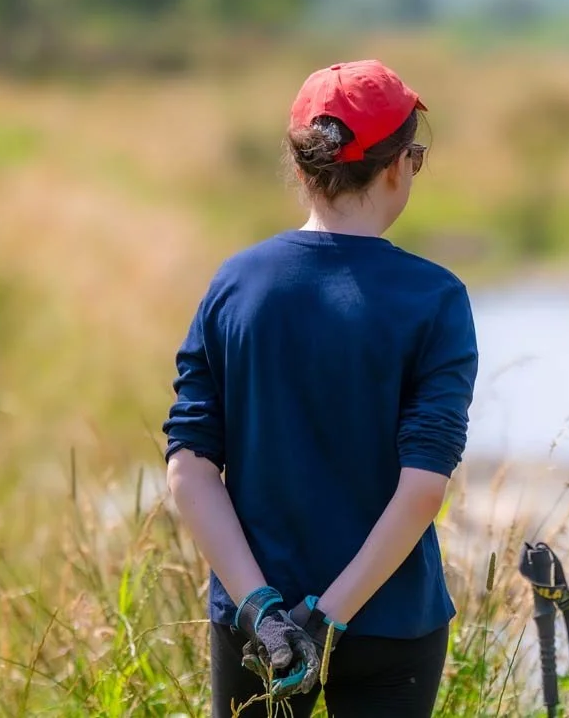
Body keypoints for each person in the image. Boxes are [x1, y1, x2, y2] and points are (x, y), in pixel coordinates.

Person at [162, 60, 476, 717]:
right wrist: (325, 621)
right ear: (397, 167)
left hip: (255, 626)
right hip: (392, 618)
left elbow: (189, 468)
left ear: (302, 170)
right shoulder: (434, 299)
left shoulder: (236, 285)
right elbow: (422, 489)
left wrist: (264, 612)